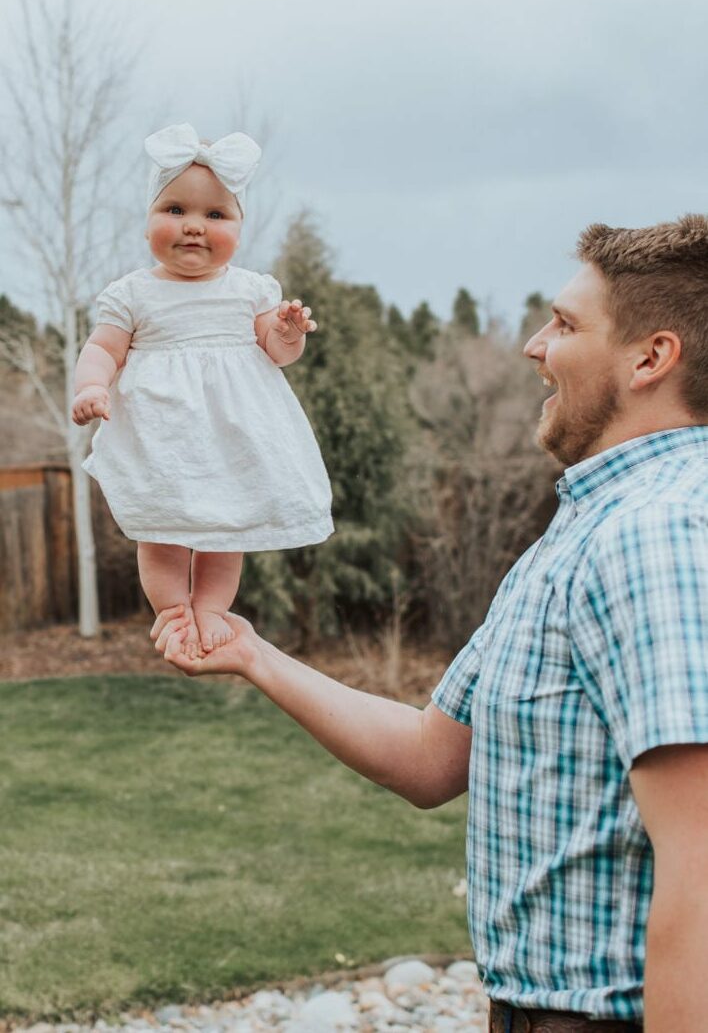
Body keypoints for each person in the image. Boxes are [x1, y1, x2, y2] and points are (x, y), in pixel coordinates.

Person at [151, 215, 708, 1033]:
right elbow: (431, 758)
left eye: (564, 323)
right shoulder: (585, 531)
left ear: (651, 358)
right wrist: (254, 654)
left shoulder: (658, 532)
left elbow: (699, 872)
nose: (532, 344)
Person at [73, 123, 333, 657]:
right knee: (161, 526)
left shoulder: (252, 290)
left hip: (232, 435)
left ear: (240, 225)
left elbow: (277, 353)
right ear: (148, 219)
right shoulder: (132, 294)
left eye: (215, 215)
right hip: (161, 435)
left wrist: (286, 332)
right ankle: (172, 607)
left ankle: (211, 607)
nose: (194, 226)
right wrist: (92, 386)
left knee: (225, 528)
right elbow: (103, 349)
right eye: (175, 210)